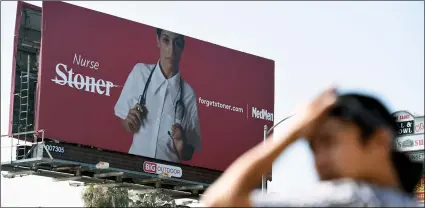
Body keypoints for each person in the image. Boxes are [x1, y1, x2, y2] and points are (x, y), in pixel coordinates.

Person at [201, 88, 422, 207]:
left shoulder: (349, 198)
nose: (319, 159)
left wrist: (292, 132)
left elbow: (219, 201)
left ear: (379, 142)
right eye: (313, 148)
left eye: (329, 142)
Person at [114, 28, 201, 163]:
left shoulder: (188, 94)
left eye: (177, 43)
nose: (171, 50)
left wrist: (181, 143)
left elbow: (188, 154)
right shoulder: (140, 73)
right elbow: (124, 122)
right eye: (166, 40)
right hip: (135, 168)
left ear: (183, 46)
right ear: (158, 41)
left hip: (168, 175)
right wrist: (129, 123)